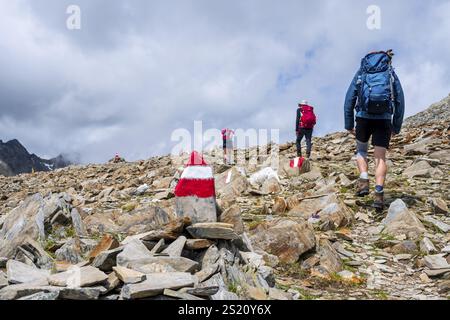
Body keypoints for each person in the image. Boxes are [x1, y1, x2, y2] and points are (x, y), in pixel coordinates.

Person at [344, 50, 405, 210]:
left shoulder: (362, 72)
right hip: (384, 119)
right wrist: (396, 126)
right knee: (380, 157)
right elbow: (400, 100)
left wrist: (349, 123)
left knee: (361, 151)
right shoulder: (390, 74)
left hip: (363, 118)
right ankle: (379, 193)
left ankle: (363, 180)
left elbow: (349, 98)